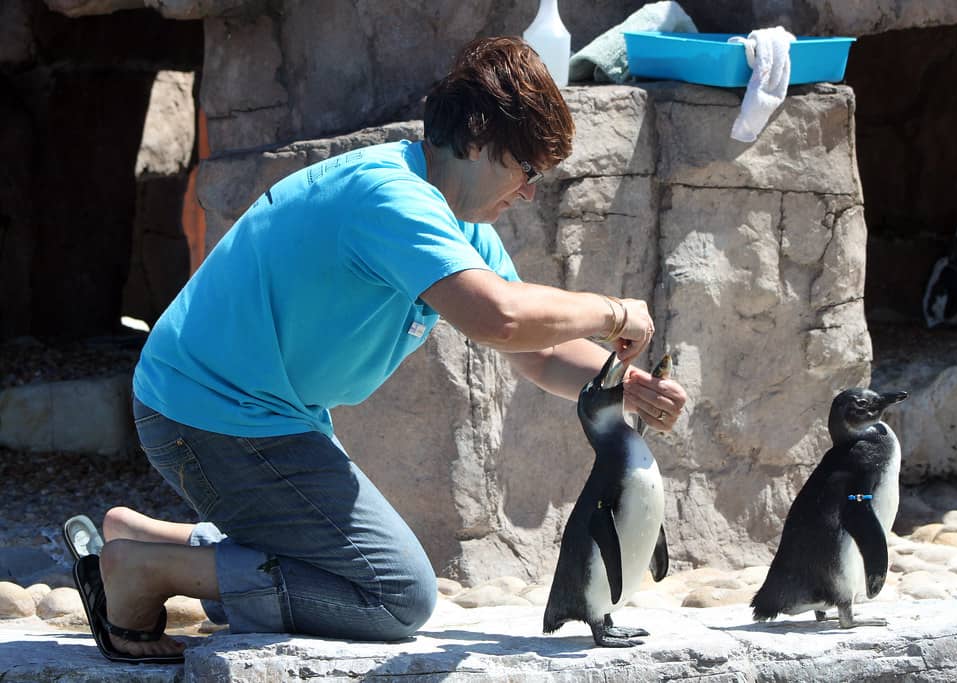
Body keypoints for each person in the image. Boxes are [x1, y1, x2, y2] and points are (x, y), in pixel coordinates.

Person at [68, 35, 688, 662]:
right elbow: (499, 318)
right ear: (476, 137)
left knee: (354, 568)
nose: (529, 192)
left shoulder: (459, 220)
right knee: (394, 595)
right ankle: (145, 573)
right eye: (525, 170)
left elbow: (537, 351)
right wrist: (613, 311)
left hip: (266, 415)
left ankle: (148, 541)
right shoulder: (390, 197)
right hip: (208, 415)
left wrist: (628, 389)